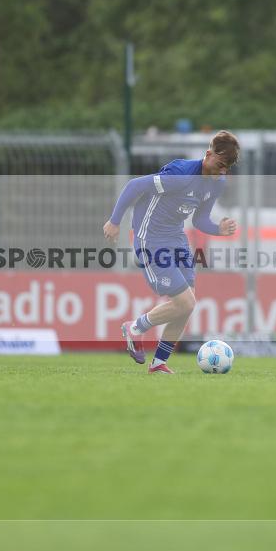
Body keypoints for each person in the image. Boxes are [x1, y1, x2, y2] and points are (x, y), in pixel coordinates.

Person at [103, 130, 240, 374]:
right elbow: (134, 186)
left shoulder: (217, 184)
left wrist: (218, 229)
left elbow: (200, 220)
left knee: (188, 303)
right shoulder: (181, 174)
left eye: (226, 168)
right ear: (208, 154)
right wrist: (115, 221)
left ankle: (158, 363)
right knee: (185, 301)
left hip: (176, 238)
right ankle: (135, 328)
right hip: (151, 238)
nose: (221, 172)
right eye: (219, 165)